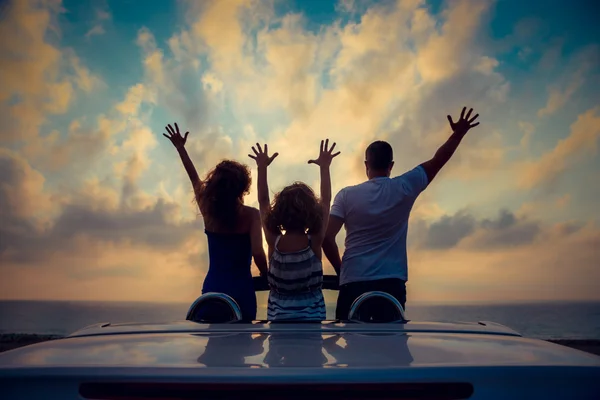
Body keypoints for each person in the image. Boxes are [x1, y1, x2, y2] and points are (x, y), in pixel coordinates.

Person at [323, 107, 481, 320]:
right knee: (391, 347)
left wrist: (341, 270)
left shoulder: (346, 195)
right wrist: (458, 133)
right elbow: (438, 160)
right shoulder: (405, 186)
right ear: (391, 165)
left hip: (353, 281)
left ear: (366, 165)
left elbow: (326, 238)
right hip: (391, 283)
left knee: (351, 346)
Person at [163, 122, 268, 321]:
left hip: (213, 290)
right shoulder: (252, 215)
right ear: (244, 187)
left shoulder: (208, 211)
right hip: (241, 292)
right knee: (241, 345)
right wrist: (266, 275)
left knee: (213, 345)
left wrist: (181, 148)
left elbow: (193, 178)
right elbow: (257, 253)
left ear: (215, 184)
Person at [248, 140, 340, 321]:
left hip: (279, 327)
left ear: (279, 211)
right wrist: (324, 167)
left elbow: (263, 201)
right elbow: (327, 200)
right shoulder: (314, 242)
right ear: (311, 211)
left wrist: (262, 168)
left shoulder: (273, 242)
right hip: (312, 327)